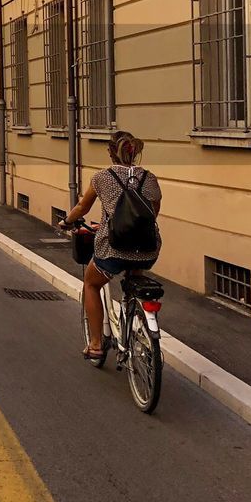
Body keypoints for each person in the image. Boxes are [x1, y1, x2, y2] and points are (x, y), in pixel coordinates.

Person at [61, 131, 161, 360]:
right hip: (147, 249)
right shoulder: (149, 177)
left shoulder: (102, 178)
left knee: (91, 282)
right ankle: (134, 323)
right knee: (133, 279)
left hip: (114, 248)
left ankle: (96, 344)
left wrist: (66, 221)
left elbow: (82, 208)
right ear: (134, 152)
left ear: (110, 152)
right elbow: (152, 212)